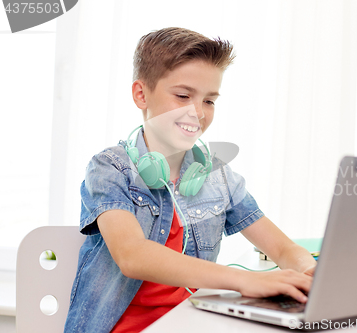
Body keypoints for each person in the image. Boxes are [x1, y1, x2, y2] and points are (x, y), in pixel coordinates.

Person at [64, 27, 317, 333]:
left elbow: (282, 249)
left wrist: (310, 273)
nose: (197, 113)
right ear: (141, 94)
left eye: (209, 101)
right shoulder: (110, 168)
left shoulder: (218, 177)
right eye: (183, 96)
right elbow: (131, 255)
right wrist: (245, 280)